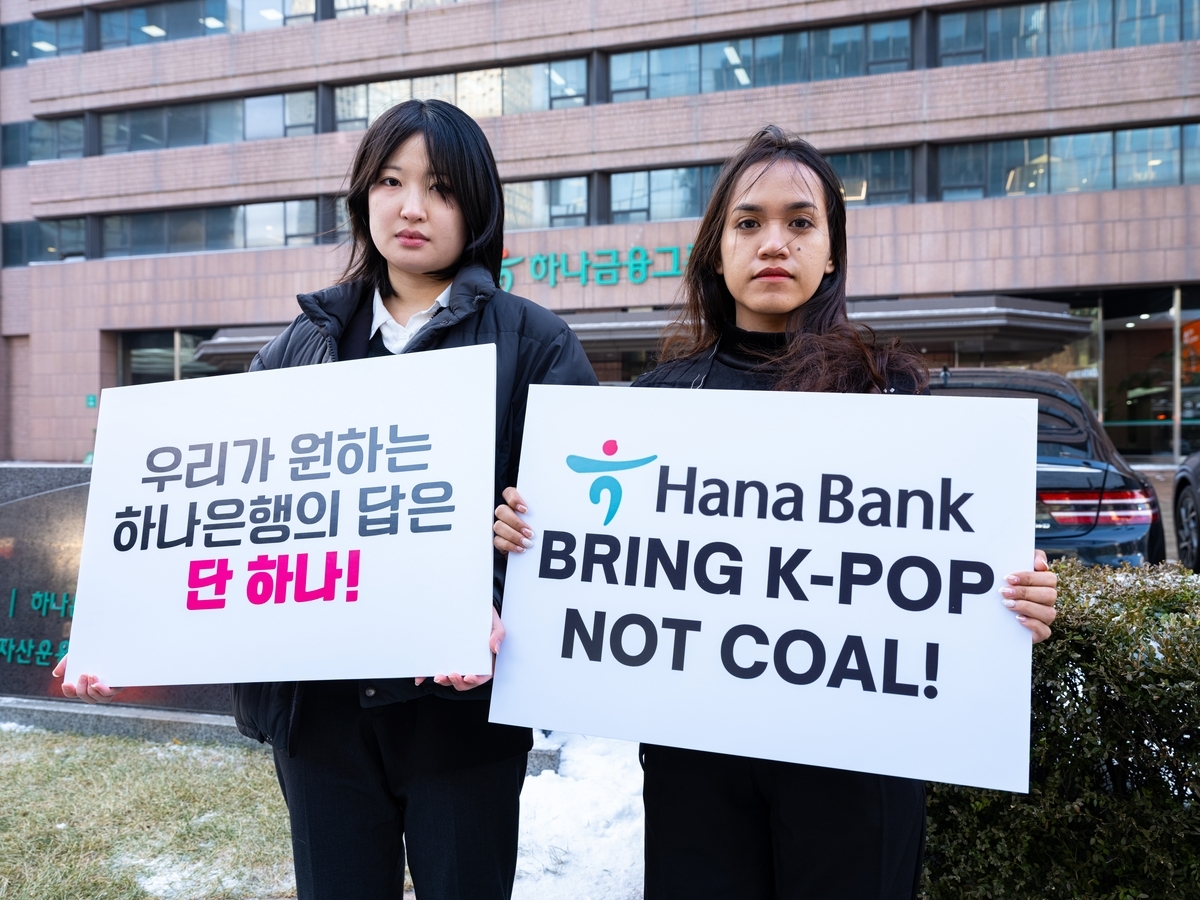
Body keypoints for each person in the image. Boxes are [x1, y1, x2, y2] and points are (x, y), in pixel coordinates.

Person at [492, 125, 1058, 900]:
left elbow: (946, 571)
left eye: (800, 223)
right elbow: (604, 567)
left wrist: (1017, 596)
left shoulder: (892, 393)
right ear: (716, 252)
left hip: (857, 772)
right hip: (700, 770)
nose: (773, 243)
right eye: (748, 222)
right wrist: (531, 535)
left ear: (831, 253)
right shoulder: (658, 401)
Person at [54, 98, 598, 900]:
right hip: (321, 717)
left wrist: (495, 586)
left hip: (461, 720)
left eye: (441, 188)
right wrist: (121, 628)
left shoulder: (536, 343)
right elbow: (217, 514)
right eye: (390, 180)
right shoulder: (299, 348)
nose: (412, 207)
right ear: (361, 196)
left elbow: (577, 534)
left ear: (477, 206)